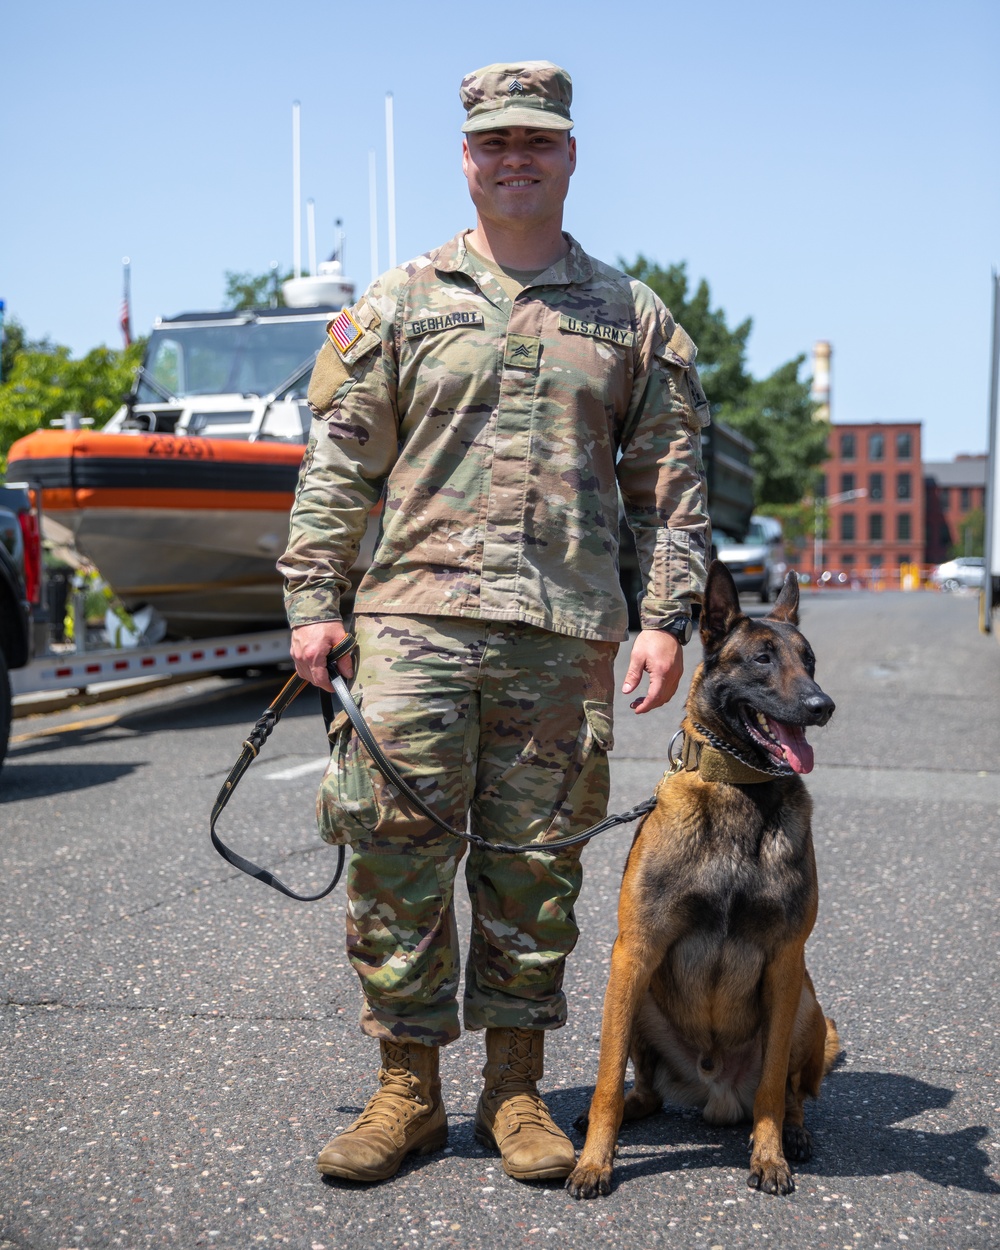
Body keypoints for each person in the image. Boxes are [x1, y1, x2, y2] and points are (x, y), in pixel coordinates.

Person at [278, 60, 711, 1185]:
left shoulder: (630, 317)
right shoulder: (401, 301)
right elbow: (338, 464)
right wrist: (312, 599)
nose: (515, 157)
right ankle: (405, 1091)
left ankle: (516, 1090)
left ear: (570, 156)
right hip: (412, 625)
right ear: (466, 159)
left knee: (533, 869)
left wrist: (663, 618)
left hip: (562, 633)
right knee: (394, 858)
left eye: (539, 140)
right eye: (494, 142)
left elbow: (671, 484)